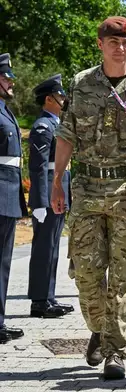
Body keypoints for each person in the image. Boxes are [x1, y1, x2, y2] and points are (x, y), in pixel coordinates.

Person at [51, 16, 126, 379]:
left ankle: (115, 350)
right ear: (100, 44)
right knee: (86, 274)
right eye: (114, 42)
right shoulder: (81, 84)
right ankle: (99, 329)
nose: (121, 48)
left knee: (125, 277)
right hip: (86, 189)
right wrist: (57, 182)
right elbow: (67, 136)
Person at [27, 74, 74, 319]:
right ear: (48, 99)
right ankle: (39, 301)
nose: (64, 98)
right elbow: (38, 167)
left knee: (53, 246)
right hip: (48, 195)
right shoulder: (43, 127)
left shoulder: (56, 124)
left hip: (60, 193)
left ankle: (48, 296)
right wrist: (40, 202)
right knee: (44, 247)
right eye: (60, 95)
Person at [0, 53, 27, 344]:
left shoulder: (4, 109)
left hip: (7, 194)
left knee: (3, 262)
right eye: (6, 77)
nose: (10, 82)